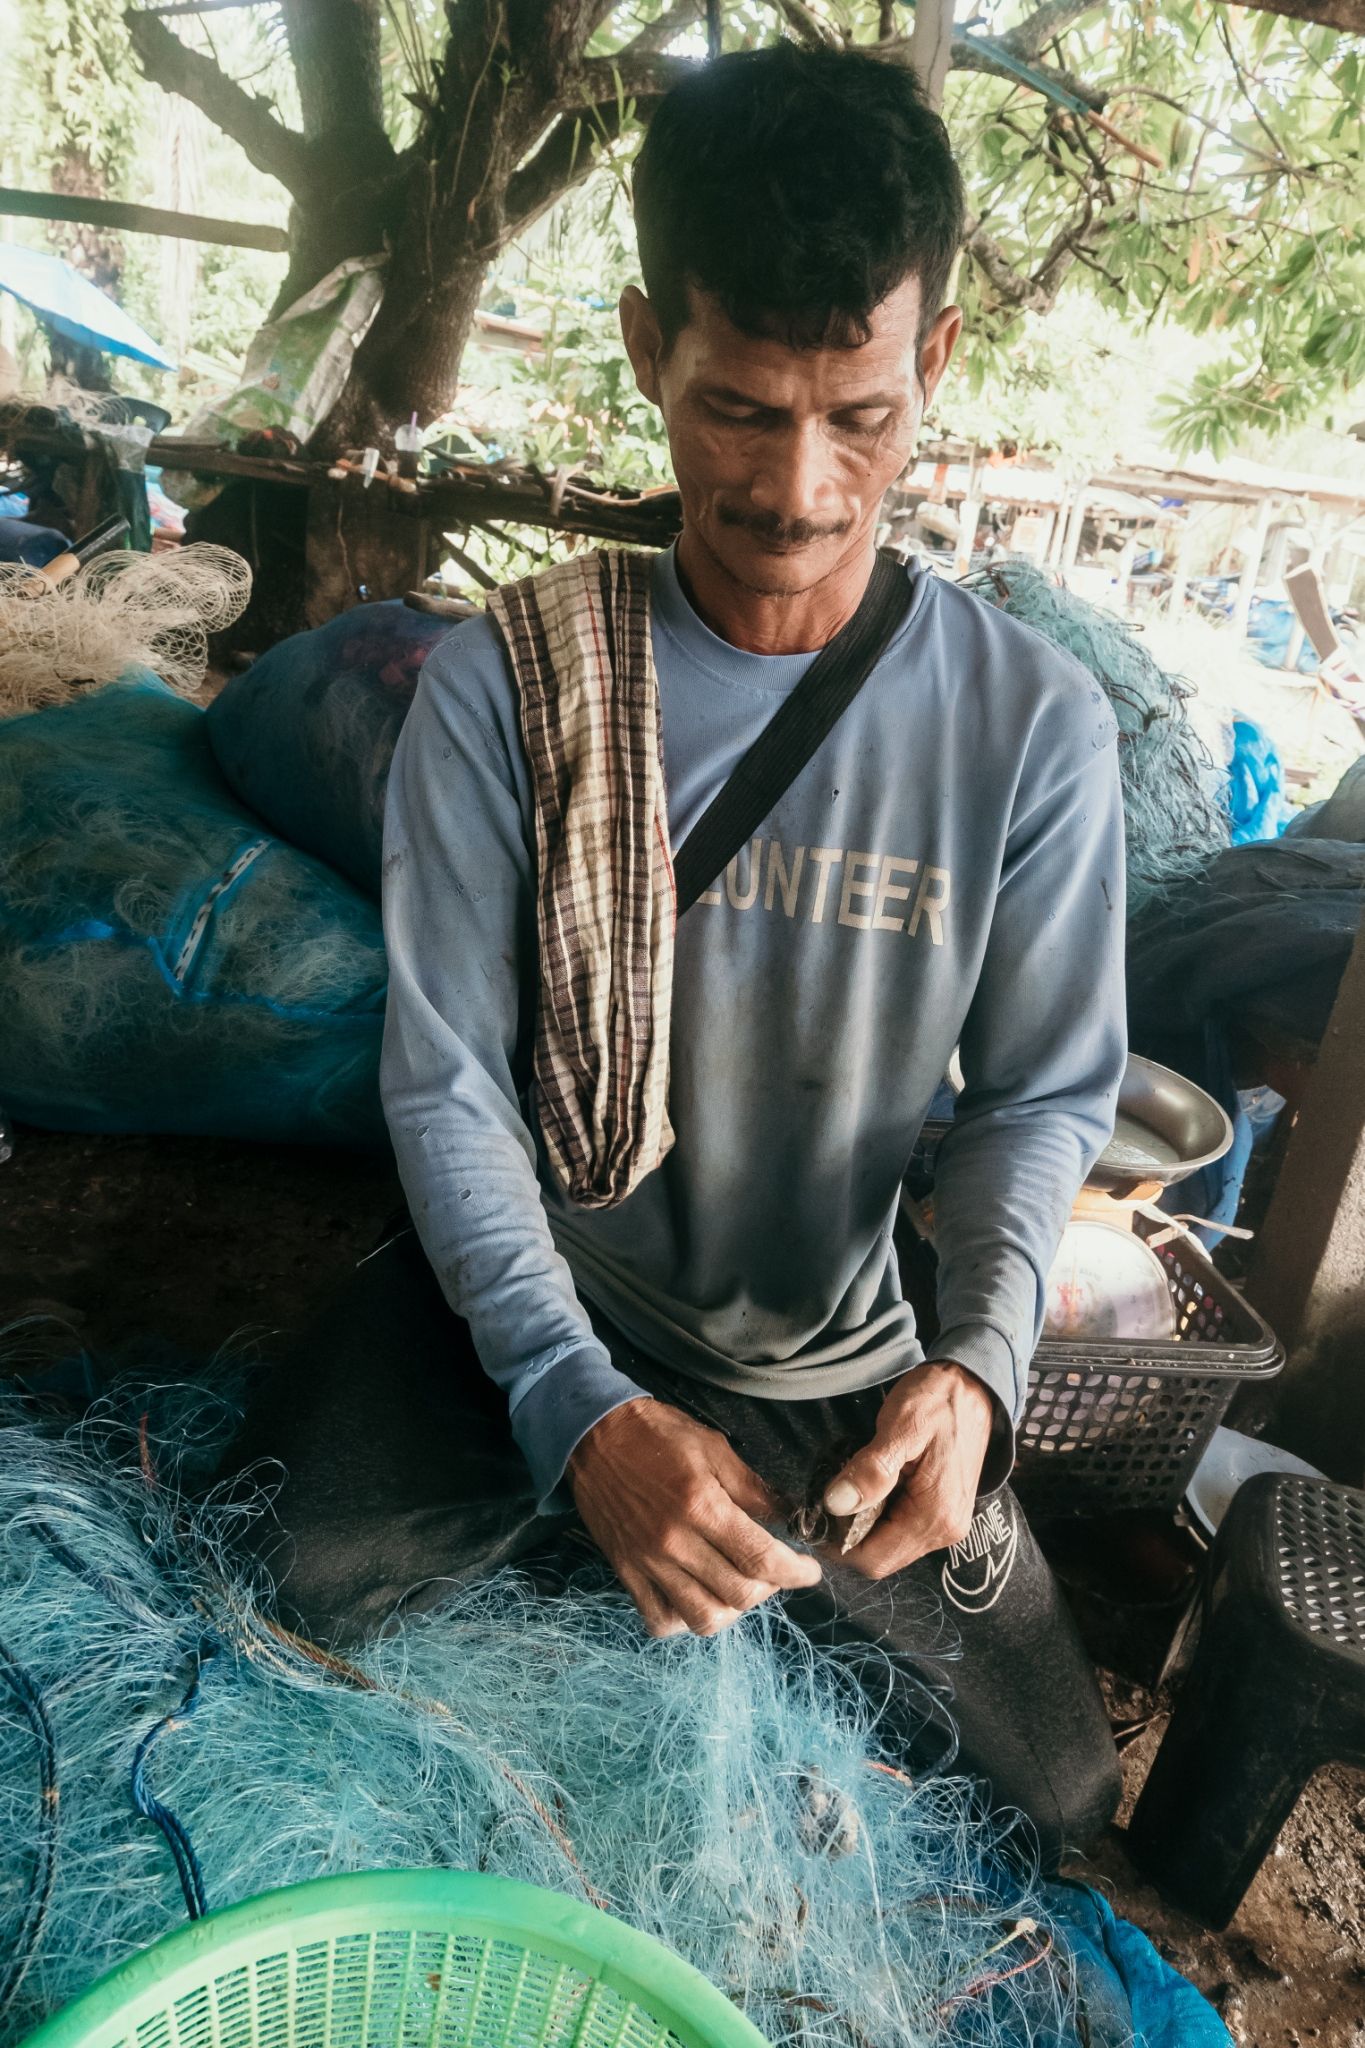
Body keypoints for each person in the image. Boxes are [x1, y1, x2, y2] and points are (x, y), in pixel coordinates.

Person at [240, 41, 1127, 1867]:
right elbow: (452, 1089)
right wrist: (581, 1414)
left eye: (859, 414)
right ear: (649, 347)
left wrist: (972, 1375)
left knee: (1050, 1794)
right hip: (558, 1299)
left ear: (933, 361)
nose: (800, 489)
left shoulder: (1032, 728)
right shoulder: (511, 689)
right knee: (291, 1598)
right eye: (736, 406)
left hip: (836, 1356)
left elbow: (1043, 1092)